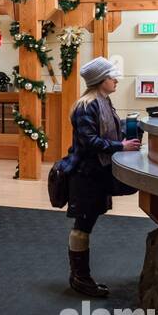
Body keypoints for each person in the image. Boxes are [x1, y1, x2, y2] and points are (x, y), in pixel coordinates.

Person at [65, 57, 141, 298]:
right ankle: (80, 277)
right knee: (83, 226)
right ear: (100, 80)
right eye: (111, 77)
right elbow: (89, 142)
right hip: (86, 174)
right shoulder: (86, 106)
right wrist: (121, 145)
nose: (116, 80)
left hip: (96, 173)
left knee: (87, 222)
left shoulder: (104, 101)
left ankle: (80, 276)